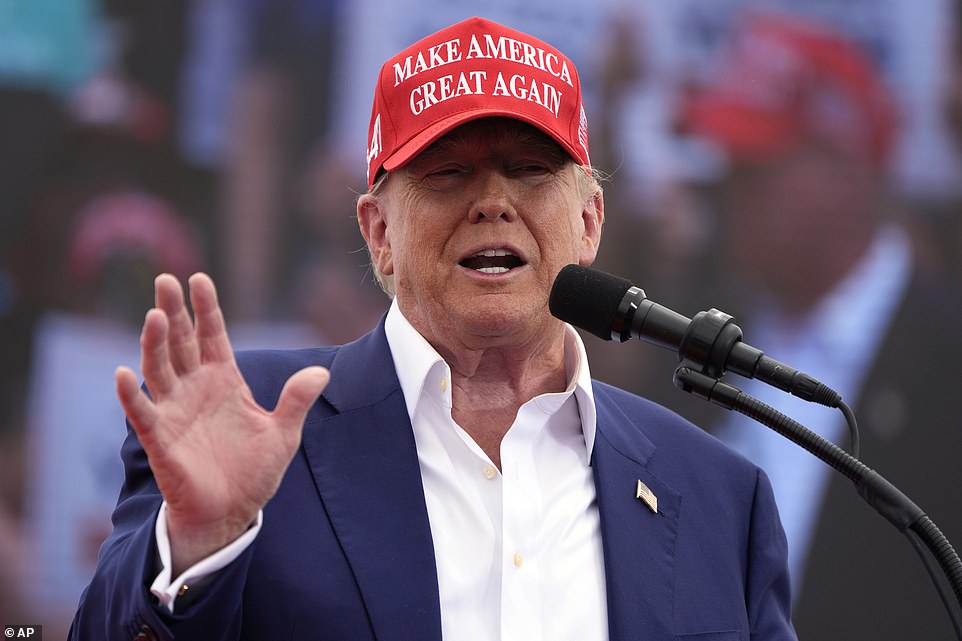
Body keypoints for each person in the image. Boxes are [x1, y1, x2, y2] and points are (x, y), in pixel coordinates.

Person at [70, 17, 797, 640]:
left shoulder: (719, 496)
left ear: (588, 223)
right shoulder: (254, 423)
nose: (493, 201)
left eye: (530, 169)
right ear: (378, 230)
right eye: (448, 171)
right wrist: (196, 549)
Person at [669, 11, 962, 640]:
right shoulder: (699, 337)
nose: (728, 192)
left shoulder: (945, 365)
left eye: (753, 169)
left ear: (843, 168)